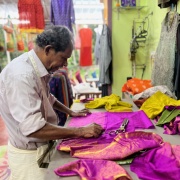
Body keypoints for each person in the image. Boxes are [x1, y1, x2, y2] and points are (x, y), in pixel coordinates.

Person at [0, 25, 103, 180]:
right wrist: (80, 131)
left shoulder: (38, 69)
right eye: (64, 58)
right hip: (29, 157)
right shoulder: (22, 76)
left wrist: (70, 112)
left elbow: (48, 97)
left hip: (42, 148)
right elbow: (34, 129)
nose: (65, 64)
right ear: (48, 50)